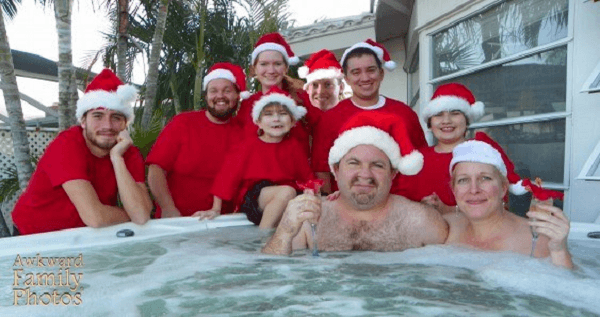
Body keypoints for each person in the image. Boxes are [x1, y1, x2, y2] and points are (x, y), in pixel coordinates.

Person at [262, 111, 448, 255]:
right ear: (335, 170)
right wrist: (284, 231)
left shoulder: (421, 221)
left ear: (393, 173)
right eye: (354, 163)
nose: (365, 174)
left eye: (377, 165)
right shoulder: (310, 219)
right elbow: (270, 275)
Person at [11, 69, 152, 235]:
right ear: (83, 121)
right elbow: (96, 218)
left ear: (124, 124)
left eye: (116, 117)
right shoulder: (67, 144)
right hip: (35, 235)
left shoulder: (126, 151)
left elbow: (141, 216)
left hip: (86, 235)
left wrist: (117, 158)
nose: (107, 125)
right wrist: (131, 214)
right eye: (98, 116)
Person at [311, 39, 427, 194]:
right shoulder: (330, 119)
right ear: (346, 78)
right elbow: (321, 169)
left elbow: (423, 160)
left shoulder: (404, 114)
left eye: (371, 70)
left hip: (400, 201)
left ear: (381, 73)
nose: (365, 78)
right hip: (350, 205)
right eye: (356, 72)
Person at [444, 137, 573, 269]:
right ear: (454, 190)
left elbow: (566, 283)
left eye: (485, 178)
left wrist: (559, 250)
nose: (474, 190)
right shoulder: (446, 229)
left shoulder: (538, 240)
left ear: (504, 188)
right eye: (463, 180)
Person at [146, 62, 247, 218]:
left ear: (237, 96)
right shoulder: (182, 123)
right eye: (213, 91)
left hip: (223, 222)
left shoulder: (244, 132)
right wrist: (168, 208)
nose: (220, 96)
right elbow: (156, 169)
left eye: (227, 91)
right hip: (177, 221)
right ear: (206, 96)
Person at [210, 87, 316, 229]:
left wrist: (311, 190)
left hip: (287, 196)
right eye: (268, 114)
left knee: (308, 201)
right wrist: (216, 208)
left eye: (283, 114)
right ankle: (263, 238)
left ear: (292, 122)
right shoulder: (247, 146)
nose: (276, 119)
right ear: (258, 122)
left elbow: (306, 176)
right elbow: (226, 178)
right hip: (255, 197)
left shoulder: (294, 146)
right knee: (287, 192)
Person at [398, 83, 486, 213]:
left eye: (455, 113)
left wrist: (448, 210)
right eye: (438, 115)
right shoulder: (415, 160)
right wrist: (419, 207)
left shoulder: (482, 155)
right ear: (430, 122)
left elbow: (498, 205)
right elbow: (398, 203)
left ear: (467, 120)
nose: (446, 121)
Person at [236, 32, 322, 156]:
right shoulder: (247, 104)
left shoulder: (303, 98)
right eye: (264, 64)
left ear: (286, 68)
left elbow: (321, 139)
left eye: (277, 64)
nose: (271, 71)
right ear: (254, 68)